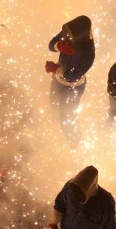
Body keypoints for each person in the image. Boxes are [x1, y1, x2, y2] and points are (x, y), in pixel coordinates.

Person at [45, 15, 95, 147]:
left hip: (73, 88)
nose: (66, 37)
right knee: (54, 102)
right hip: (57, 80)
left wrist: (56, 68)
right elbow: (51, 44)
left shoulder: (88, 53)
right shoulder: (71, 31)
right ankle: (55, 125)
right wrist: (59, 45)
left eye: (68, 38)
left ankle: (75, 144)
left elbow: (72, 77)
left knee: (67, 118)